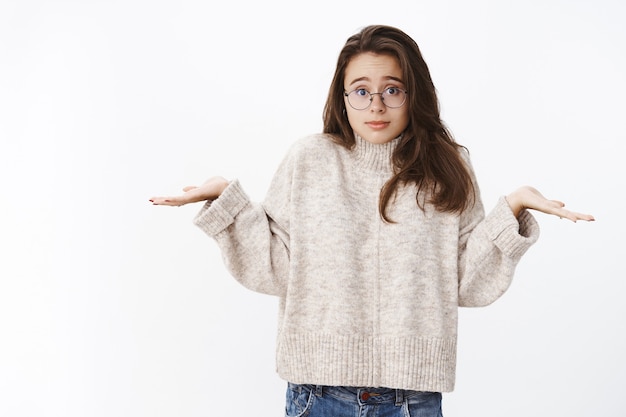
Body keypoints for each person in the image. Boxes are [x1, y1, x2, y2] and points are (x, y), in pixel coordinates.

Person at [150, 25, 594, 417]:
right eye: (361, 90)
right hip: (316, 394)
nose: (376, 104)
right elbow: (278, 269)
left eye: (392, 89)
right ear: (343, 99)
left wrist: (511, 209)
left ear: (413, 93)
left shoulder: (447, 167)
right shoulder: (310, 158)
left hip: (413, 399)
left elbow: (465, 285)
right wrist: (228, 202)